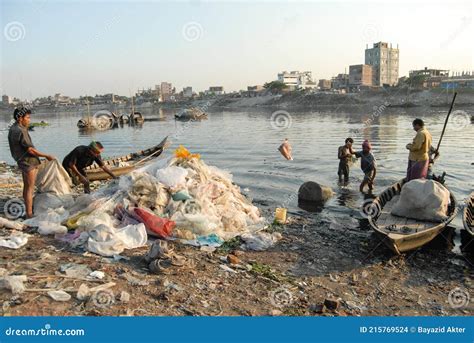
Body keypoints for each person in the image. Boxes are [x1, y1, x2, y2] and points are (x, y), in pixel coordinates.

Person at [8, 107, 55, 218]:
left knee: (26, 187)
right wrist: (46, 155)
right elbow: (30, 149)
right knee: (30, 188)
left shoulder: (13, 129)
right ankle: (29, 214)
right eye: (27, 118)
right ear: (20, 118)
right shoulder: (21, 130)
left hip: (21, 161)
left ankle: (28, 210)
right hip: (29, 162)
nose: (29, 120)